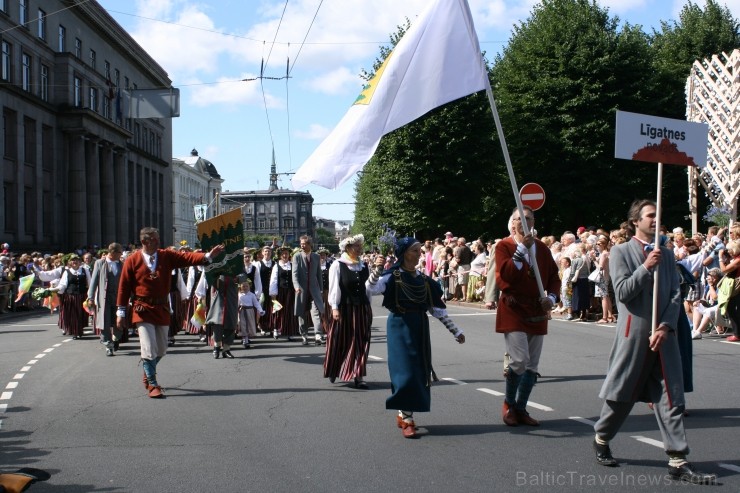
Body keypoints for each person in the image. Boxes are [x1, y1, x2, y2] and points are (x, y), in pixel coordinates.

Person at [592, 199, 716, 484]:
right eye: (650, 215)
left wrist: (665, 325)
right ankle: (602, 436)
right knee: (622, 394)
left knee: (670, 396)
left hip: (664, 336)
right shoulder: (621, 252)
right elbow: (623, 292)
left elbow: (675, 293)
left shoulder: (668, 254)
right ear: (636, 220)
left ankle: (678, 458)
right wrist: (646, 267)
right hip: (633, 335)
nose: (655, 219)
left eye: (658, 215)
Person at [366, 237, 465, 439]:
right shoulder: (392, 276)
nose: (419, 253)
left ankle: (404, 413)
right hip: (398, 325)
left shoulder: (424, 280)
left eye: (420, 249)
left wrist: (455, 331)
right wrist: (376, 269)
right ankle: (408, 418)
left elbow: (437, 309)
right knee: (405, 372)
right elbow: (370, 289)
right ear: (403, 254)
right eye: (414, 250)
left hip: (419, 326)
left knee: (418, 371)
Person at [116, 227, 224, 398]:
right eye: (155, 239)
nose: (159, 241)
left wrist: (207, 256)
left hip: (162, 308)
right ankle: (152, 384)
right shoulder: (132, 260)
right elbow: (123, 288)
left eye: (158, 238)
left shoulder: (166, 256)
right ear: (145, 241)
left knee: (162, 349)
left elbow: (186, 257)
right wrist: (120, 312)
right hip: (142, 310)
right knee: (149, 347)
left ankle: (147, 371)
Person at [495, 206, 560, 427]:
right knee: (519, 360)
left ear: (533, 222)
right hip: (514, 309)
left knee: (532, 365)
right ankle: (509, 404)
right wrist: (522, 249)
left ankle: (521, 408)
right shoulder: (504, 246)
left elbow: (553, 277)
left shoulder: (542, 248)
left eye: (528, 218)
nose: (523, 222)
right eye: (518, 219)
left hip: (537, 310)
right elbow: (506, 277)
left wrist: (551, 298)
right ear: (512, 223)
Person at [324, 234, 372, 388]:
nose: (359, 248)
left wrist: (368, 306)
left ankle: (359, 375)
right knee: (340, 340)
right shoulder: (338, 264)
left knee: (361, 341)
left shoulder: (364, 265)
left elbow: (368, 289)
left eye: (360, 246)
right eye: (356, 246)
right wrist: (334, 307)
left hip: (362, 308)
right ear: (348, 248)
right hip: (344, 307)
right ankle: (334, 368)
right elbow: (333, 289)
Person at [196, 272, 245, 359]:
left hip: (231, 293)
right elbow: (207, 274)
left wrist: (238, 278)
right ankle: (216, 347)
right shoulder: (214, 259)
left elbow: (243, 274)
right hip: (217, 293)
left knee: (231, 321)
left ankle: (226, 349)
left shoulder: (236, 259)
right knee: (217, 321)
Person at [87, 243, 124, 356]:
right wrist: (91, 297)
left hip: (118, 297)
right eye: (119, 252)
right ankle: (108, 345)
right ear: (113, 252)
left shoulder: (121, 264)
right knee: (105, 322)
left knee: (118, 321)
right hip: (104, 298)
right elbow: (93, 281)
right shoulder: (100, 263)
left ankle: (116, 338)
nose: (121, 254)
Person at [292, 235, 325, 346]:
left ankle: (318, 335)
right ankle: (304, 335)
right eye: (301, 243)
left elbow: (318, 274)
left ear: (310, 244)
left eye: (304, 243)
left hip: (314, 289)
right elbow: (295, 274)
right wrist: (296, 286)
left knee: (316, 311)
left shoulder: (316, 256)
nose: (302, 245)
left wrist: (320, 289)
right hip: (301, 289)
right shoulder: (297, 256)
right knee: (301, 312)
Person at [57, 254, 91, 339]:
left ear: (80, 262)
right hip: (71, 296)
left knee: (81, 314)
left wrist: (91, 295)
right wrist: (56, 290)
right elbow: (63, 284)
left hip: (82, 296)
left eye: (76, 260)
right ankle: (75, 332)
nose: (74, 262)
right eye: (73, 260)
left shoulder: (85, 270)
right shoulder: (67, 272)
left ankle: (79, 330)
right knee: (73, 315)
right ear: (70, 262)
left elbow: (90, 283)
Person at [269, 246, 298, 340]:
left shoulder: (292, 265)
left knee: (289, 311)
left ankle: (288, 331)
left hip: (290, 291)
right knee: (278, 310)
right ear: (280, 256)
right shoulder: (276, 266)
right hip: (280, 291)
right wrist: (273, 293)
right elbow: (273, 280)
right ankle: (276, 329)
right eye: (283, 254)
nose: (285, 255)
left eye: (286, 254)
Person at [238, 279, 264, 348]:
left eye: (247, 286)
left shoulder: (252, 295)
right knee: (243, 325)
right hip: (242, 311)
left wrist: (260, 310)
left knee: (249, 325)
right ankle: (245, 340)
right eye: (243, 286)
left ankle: (247, 338)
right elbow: (237, 304)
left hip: (250, 311)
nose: (245, 288)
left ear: (249, 286)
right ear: (240, 287)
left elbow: (256, 303)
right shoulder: (239, 295)